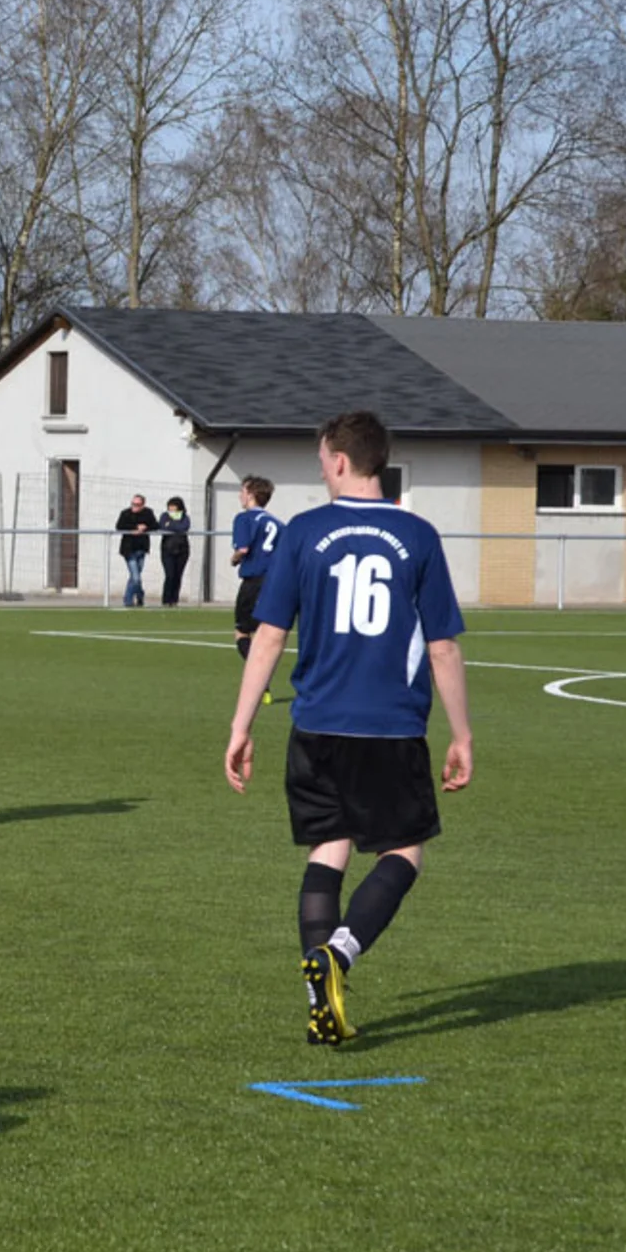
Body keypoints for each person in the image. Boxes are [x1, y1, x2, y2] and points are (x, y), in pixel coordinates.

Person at [225, 411, 472, 1047]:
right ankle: (339, 954)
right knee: (404, 850)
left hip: (316, 724)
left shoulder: (305, 532)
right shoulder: (418, 535)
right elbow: (442, 646)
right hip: (390, 728)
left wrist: (241, 725)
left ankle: (321, 997)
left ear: (339, 460)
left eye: (320, 461)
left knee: (328, 847)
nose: (320, 471)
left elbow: (269, 636)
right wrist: (462, 734)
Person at [230, 476, 283, 663]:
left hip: (254, 581)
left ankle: (260, 675)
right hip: (275, 582)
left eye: (242, 491)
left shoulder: (244, 518)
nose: (240, 496)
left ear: (251, 494)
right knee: (265, 631)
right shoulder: (277, 523)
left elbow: (243, 549)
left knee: (242, 632)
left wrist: (234, 559)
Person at [114, 494, 156, 608]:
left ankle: (139, 596)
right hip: (129, 550)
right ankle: (128, 600)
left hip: (141, 549)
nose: (135, 506)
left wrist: (145, 527)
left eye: (138, 504)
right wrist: (135, 528)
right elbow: (119, 526)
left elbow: (155, 525)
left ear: (143, 505)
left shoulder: (148, 513)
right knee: (136, 577)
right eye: (133, 504)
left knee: (135, 576)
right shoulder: (125, 513)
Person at [157, 497, 191, 607]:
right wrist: (173, 526)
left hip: (182, 550)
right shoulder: (165, 516)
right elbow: (162, 526)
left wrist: (171, 525)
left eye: (173, 506)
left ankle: (174, 600)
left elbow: (184, 527)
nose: (171, 509)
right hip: (167, 549)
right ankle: (166, 600)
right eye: (169, 506)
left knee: (178, 575)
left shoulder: (185, 517)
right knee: (169, 575)